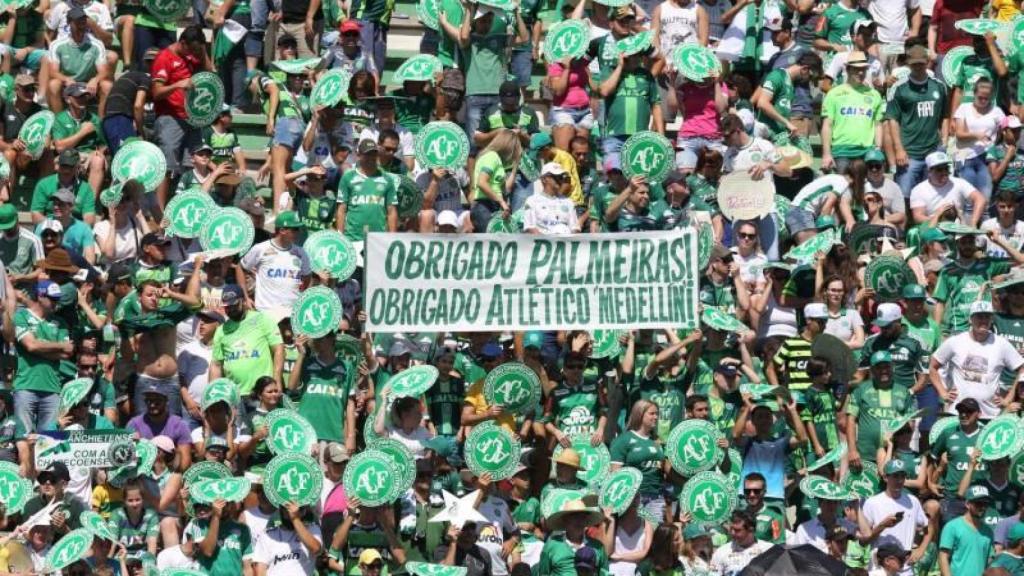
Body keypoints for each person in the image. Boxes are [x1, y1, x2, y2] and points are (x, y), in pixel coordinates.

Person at [930, 300, 1024, 418]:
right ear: (970, 319)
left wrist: (1008, 398)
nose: (983, 320)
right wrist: (943, 393)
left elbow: (1022, 368)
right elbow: (933, 366)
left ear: (992, 320)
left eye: (987, 317)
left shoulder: (1001, 344)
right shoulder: (955, 341)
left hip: (989, 414)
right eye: (979, 316)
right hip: (959, 412)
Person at [887, 44, 949, 197]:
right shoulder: (900, 88)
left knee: (933, 195)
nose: (918, 67)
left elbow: (945, 115)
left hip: (933, 150)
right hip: (909, 153)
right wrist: (899, 149)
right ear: (908, 63)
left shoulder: (939, 86)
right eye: (914, 64)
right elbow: (892, 120)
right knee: (904, 196)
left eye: (921, 63)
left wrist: (945, 140)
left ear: (927, 61)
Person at [208, 285, 285, 395]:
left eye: (234, 305)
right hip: (235, 395)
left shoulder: (262, 319)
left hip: (263, 393)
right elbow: (216, 365)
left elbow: (279, 349)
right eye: (227, 306)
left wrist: (277, 379)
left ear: (244, 301)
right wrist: (213, 394)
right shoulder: (221, 330)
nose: (231, 309)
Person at [820, 51, 884, 173]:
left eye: (863, 69)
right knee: (843, 188)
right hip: (841, 151)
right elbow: (827, 125)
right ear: (848, 69)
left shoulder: (874, 95)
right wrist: (826, 154)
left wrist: (878, 148)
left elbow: (878, 124)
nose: (861, 73)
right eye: (856, 69)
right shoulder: (834, 94)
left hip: (867, 152)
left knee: (866, 190)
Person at [239, 211, 310, 312]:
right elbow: (241, 267)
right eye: (295, 229)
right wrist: (245, 297)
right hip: (265, 312)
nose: (298, 233)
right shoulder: (261, 248)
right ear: (282, 230)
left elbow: (307, 276)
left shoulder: (301, 253)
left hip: (291, 312)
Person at [939, 485, 995, 576]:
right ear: (967, 504)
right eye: (979, 503)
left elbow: (990, 560)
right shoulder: (952, 526)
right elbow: (943, 557)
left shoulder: (988, 532)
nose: (983, 507)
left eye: (986, 504)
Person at [709, 510, 773, 574]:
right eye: (731, 529)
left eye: (737, 530)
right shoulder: (721, 552)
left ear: (751, 530)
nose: (732, 533)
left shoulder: (769, 550)